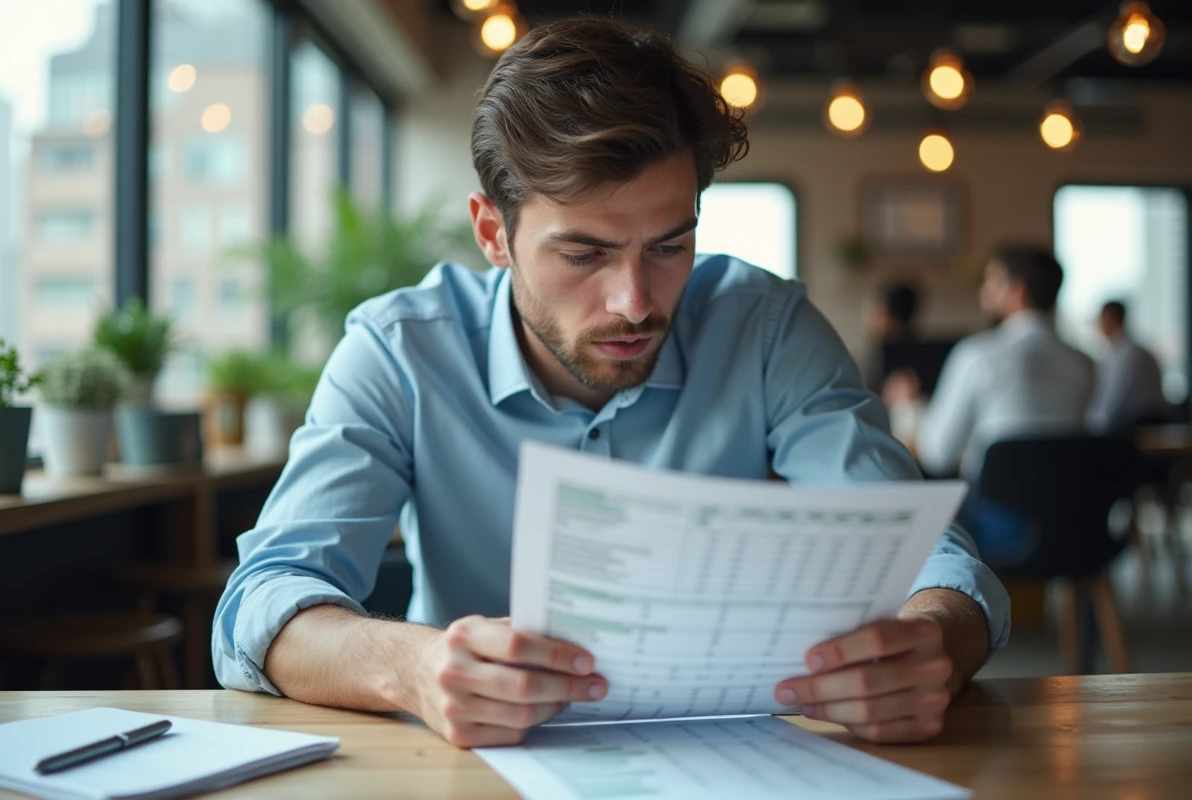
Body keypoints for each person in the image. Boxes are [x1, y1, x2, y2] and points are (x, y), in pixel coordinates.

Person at [212, 18, 1008, 749]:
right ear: (493, 232)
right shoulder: (398, 351)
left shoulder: (765, 328)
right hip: (472, 768)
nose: (634, 301)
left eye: (669, 245)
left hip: (737, 761)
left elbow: (932, 562)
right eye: (584, 254)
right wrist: (412, 668)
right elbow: (263, 603)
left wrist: (936, 640)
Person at [887, 246, 1094, 480]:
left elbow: (938, 454)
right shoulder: (1085, 363)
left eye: (991, 281)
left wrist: (910, 406)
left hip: (990, 509)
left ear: (1017, 290)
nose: (983, 290)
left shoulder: (977, 355)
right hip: (1072, 509)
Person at [1086, 300, 1168, 433]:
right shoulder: (1127, 352)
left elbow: (1114, 398)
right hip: (1146, 421)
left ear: (1110, 319)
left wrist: (1094, 427)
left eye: (1100, 319)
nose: (1098, 325)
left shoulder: (1127, 356)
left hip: (1142, 426)